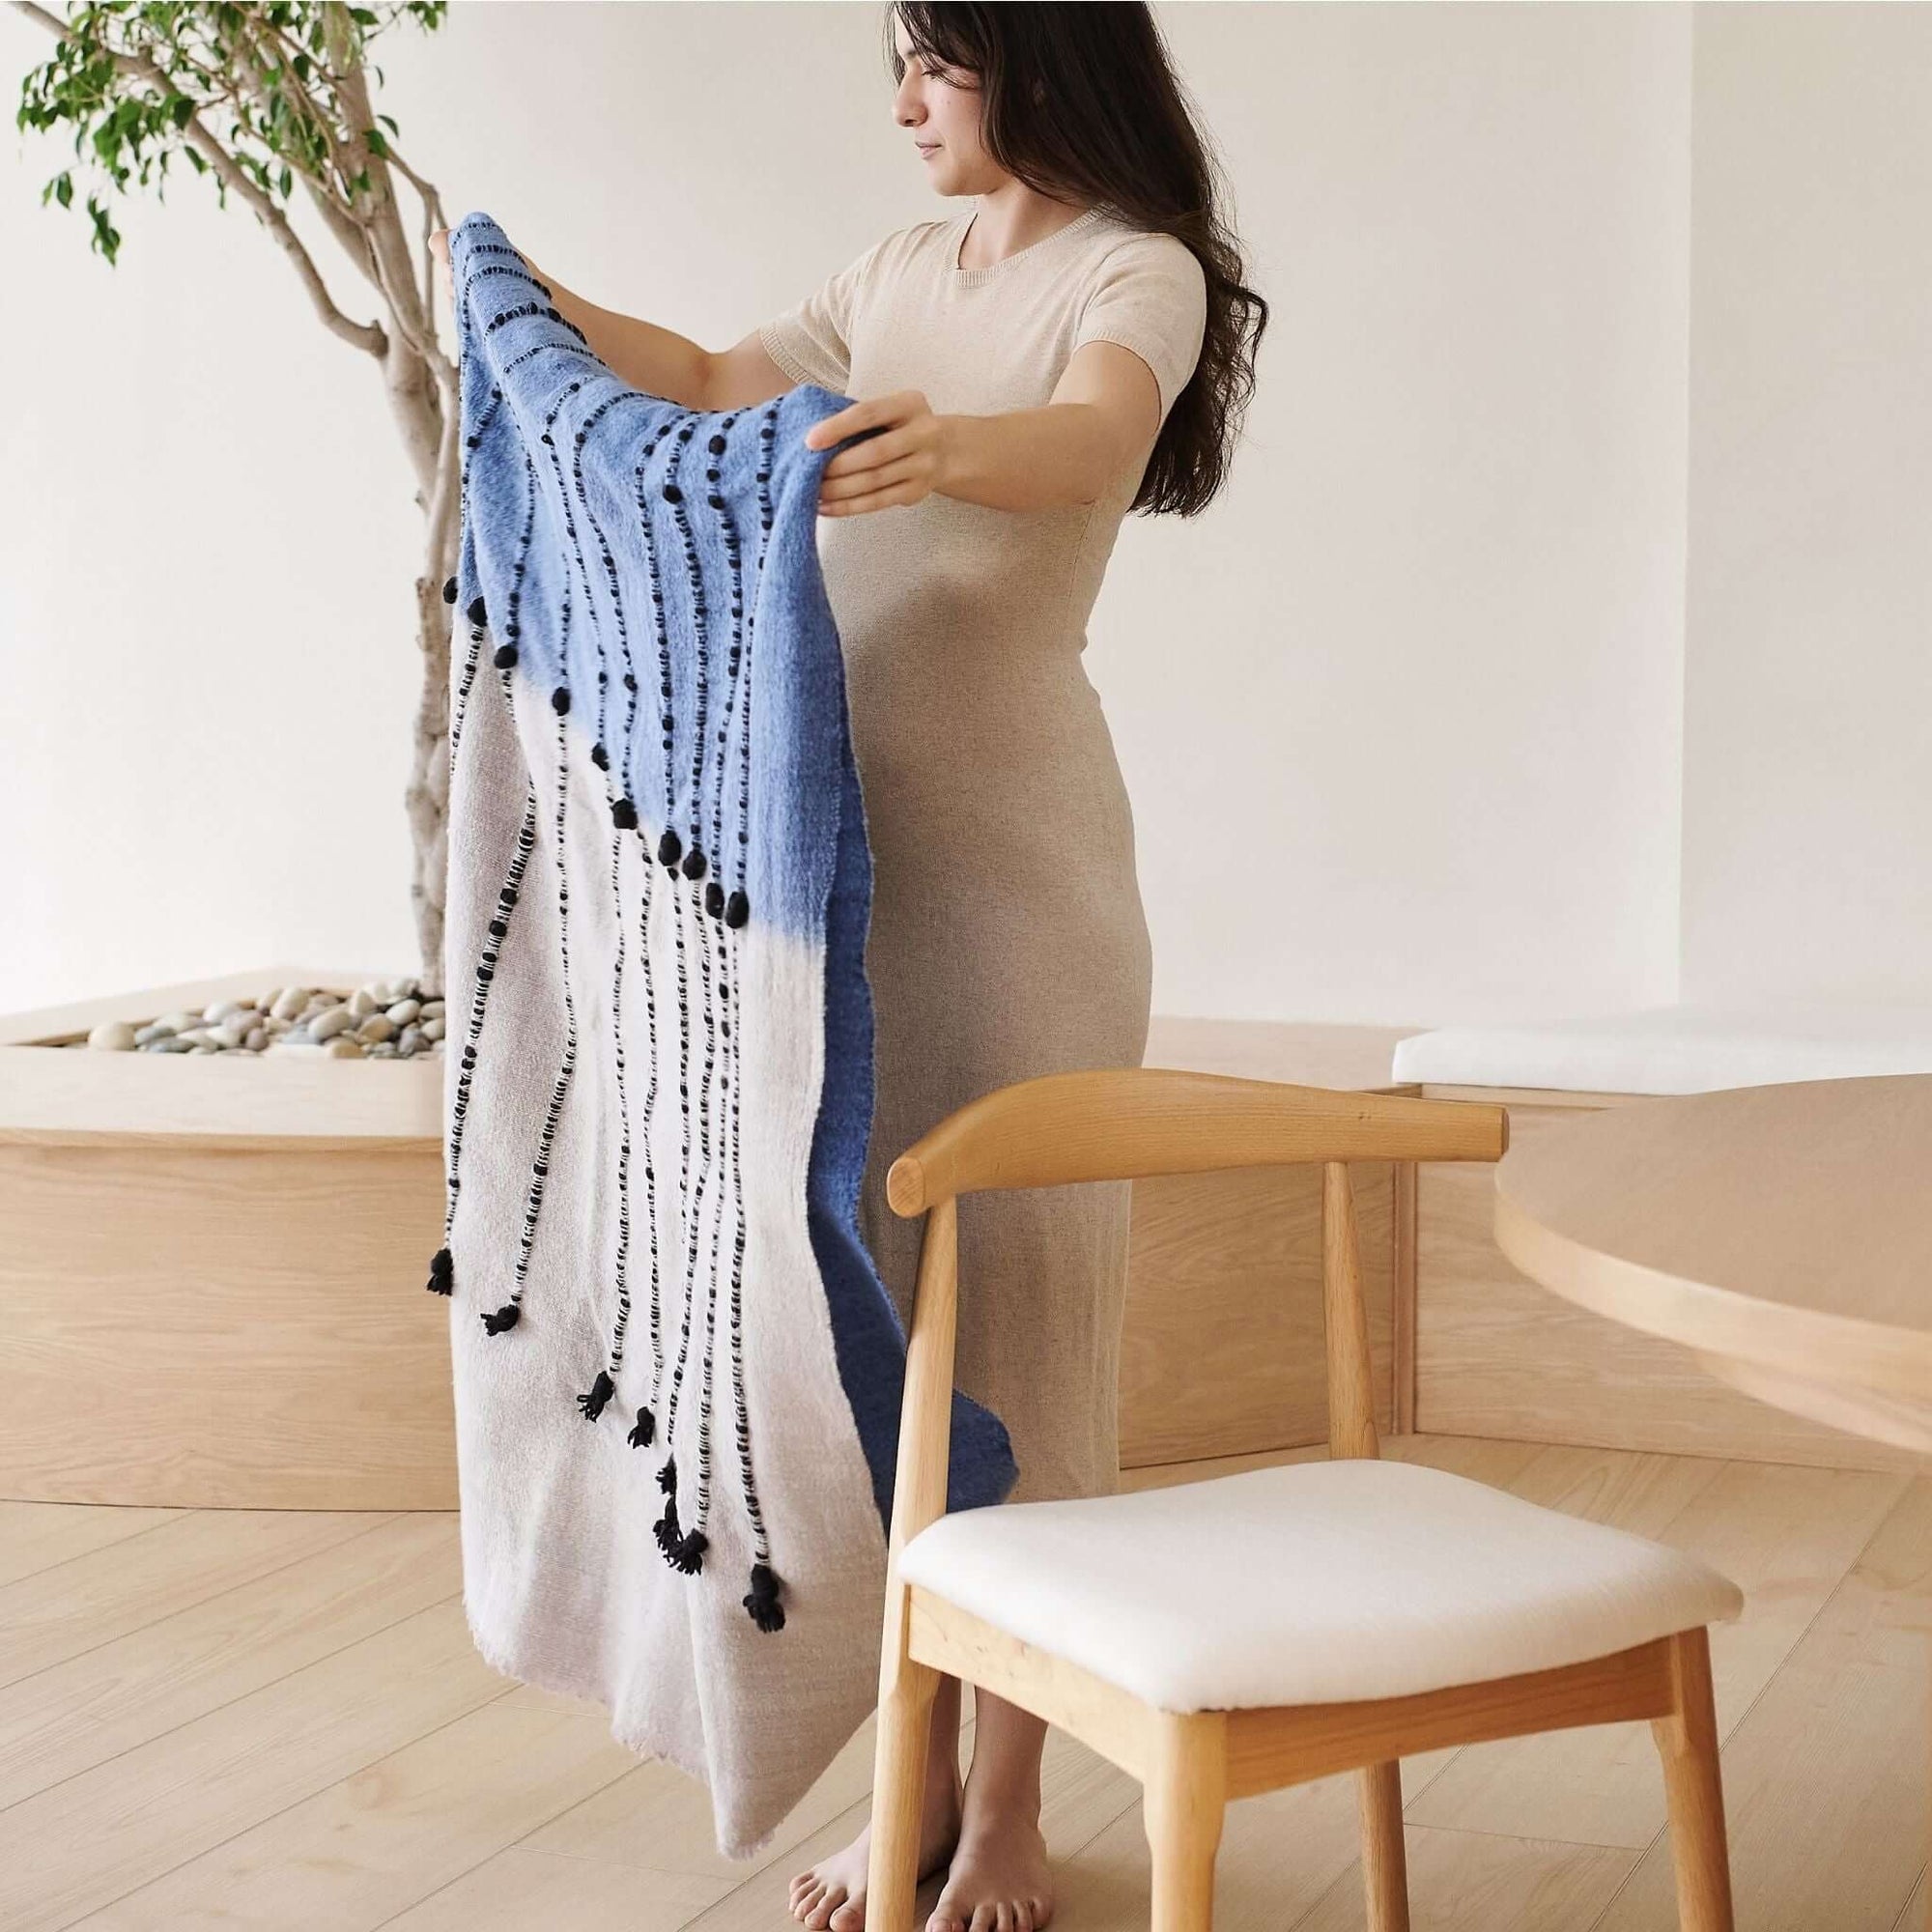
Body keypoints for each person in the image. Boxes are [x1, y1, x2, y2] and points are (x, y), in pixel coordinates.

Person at [437, 4, 1263, 1926]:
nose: (902, 101)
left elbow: (1089, 439)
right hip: (844, 881)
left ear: (1035, 53)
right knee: (860, 1336)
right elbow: (722, 370)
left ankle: (1005, 1817)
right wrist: (530, 297)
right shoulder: (897, 270)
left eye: (932, 60)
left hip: (1019, 888)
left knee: (1026, 1337)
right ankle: (903, 1772)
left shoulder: (1133, 270)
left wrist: (939, 442)